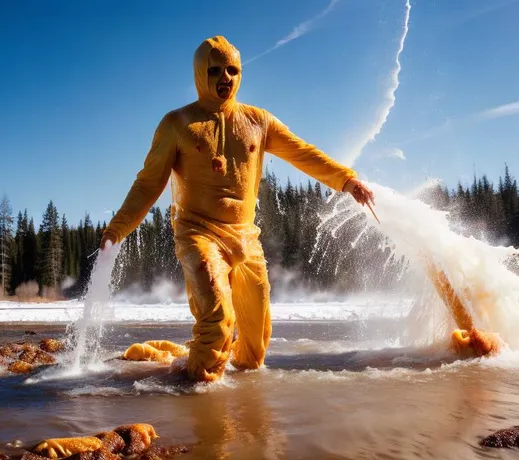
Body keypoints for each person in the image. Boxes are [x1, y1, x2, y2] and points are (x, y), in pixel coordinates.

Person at [100, 36, 375, 382]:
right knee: (217, 323)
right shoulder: (177, 124)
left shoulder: (258, 121)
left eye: (232, 70)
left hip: (245, 237)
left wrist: (347, 181)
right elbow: (148, 184)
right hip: (198, 234)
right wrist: (117, 229)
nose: (225, 77)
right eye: (215, 70)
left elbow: (302, 152)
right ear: (200, 74)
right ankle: (195, 397)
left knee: (255, 349)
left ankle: (229, 407)